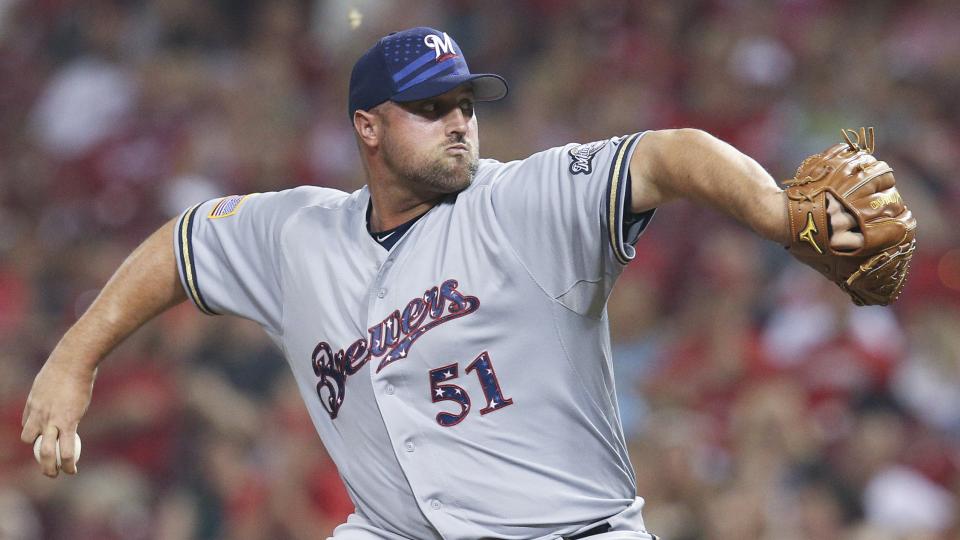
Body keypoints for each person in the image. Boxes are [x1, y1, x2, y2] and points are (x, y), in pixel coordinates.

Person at [21, 27, 863, 540]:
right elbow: (184, 243)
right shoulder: (301, 233)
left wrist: (776, 213)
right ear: (369, 128)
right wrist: (74, 359)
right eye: (432, 107)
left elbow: (669, 153)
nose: (459, 120)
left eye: (465, 102)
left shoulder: (521, 200)